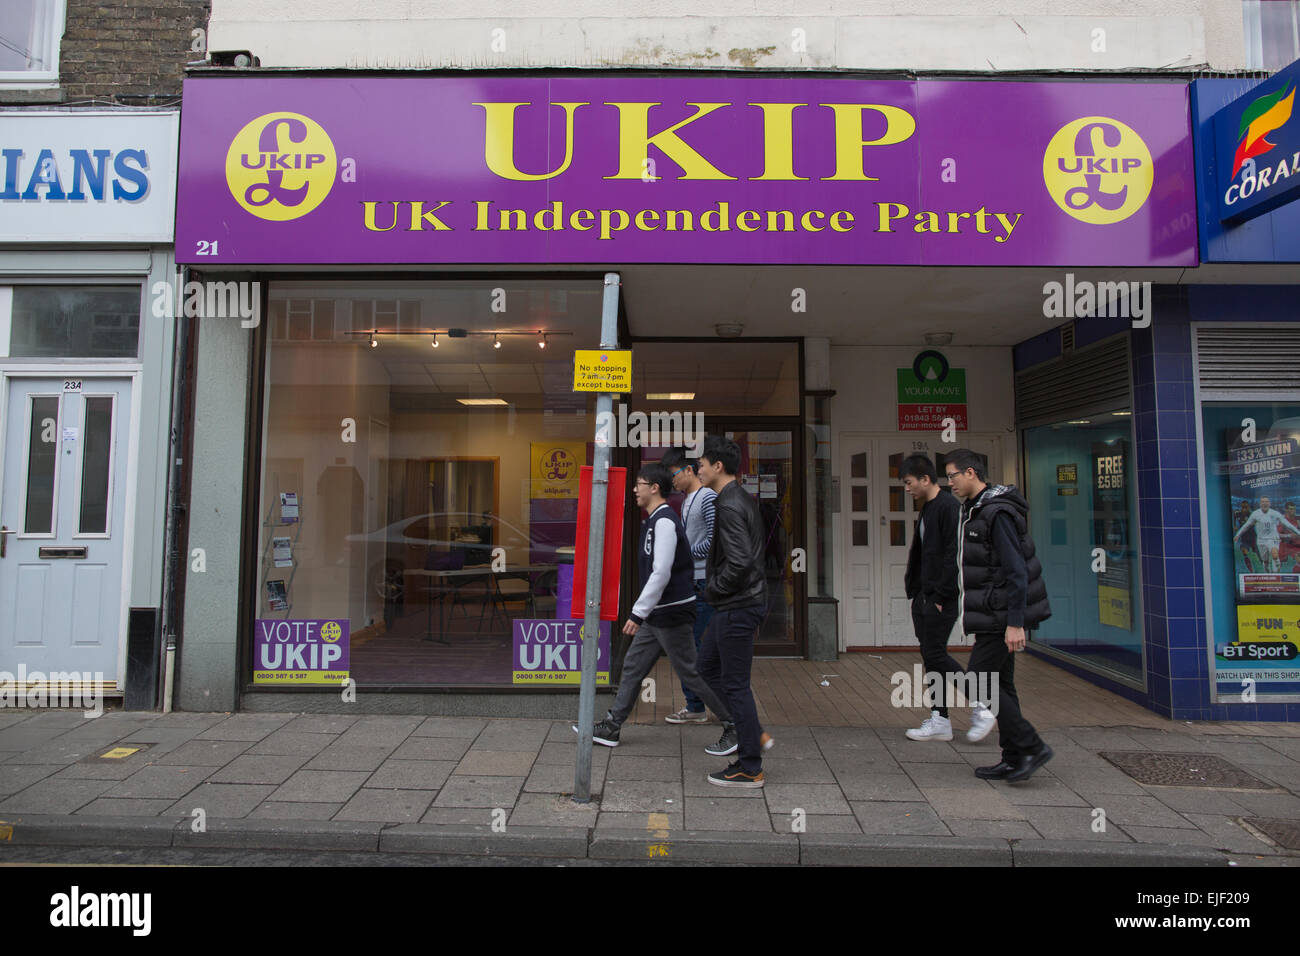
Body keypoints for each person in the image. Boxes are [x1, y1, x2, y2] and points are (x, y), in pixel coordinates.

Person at [573, 463, 732, 748]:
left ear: (655, 488)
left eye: (640, 483)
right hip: (659, 613)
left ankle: (735, 724)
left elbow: (662, 571)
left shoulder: (664, 522)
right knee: (634, 666)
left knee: (691, 673)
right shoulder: (654, 520)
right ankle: (612, 726)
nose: (635, 489)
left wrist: (638, 612)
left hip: (671, 612)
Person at [944, 449, 1053, 783]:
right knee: (1002, 683)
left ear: (972, 473)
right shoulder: (977, 510)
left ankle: (1031, 745)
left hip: (1000, 614)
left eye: (953, 476)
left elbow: (1016, 570)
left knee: (978, 679)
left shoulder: (997, 513)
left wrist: (1015, 622)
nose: (950, 483)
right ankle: (1014, 756)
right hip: (993, 611)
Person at [899, 454, 996, 743]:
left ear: (925, 479)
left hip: (940, 598)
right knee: (931, 656)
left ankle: (981, 702)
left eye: (908, 482)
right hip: (925, 596)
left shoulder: (947, 508)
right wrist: (917, 592)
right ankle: (940, 718)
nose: (907, 489)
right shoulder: (929, 508)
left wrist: (941, 596)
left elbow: (954, 555)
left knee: (936, 654)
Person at [696, 435, 772, 788]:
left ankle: (750, 766)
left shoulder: (728, 503)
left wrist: (713, 589)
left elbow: (740, 561)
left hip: (737, 605)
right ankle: (752, 732)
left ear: (718, 466)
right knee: (707, 667)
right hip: (737, 603)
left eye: (702, 463)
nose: (699, 469)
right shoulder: (738, 497)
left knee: (735, 684)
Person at [660, 447, 718, 724]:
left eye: (674, 475)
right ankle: (705, 705)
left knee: (689, 645)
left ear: (689, 470)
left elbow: (717, 539)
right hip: (692, 580)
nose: (672, 481)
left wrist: (686, 553)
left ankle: (699, 706)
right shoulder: (686, 501)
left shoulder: (706, 497)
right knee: (691, 645)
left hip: (702, 581)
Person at [1234, 496, 1300, 574]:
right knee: (1265, 561)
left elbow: (1288, 525)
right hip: (1261, 540)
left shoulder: (1275, 514)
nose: (1264, 503)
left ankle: (1275, 575)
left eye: (1266, 502)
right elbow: (1246, 525)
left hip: (1273, 538)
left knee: (1275, 556)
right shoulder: (1255, 514)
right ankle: (1268, 573)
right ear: (1260, 504)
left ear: (1269, 504)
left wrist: (1298, 533)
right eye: (1263, 502)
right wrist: (1238, 535)